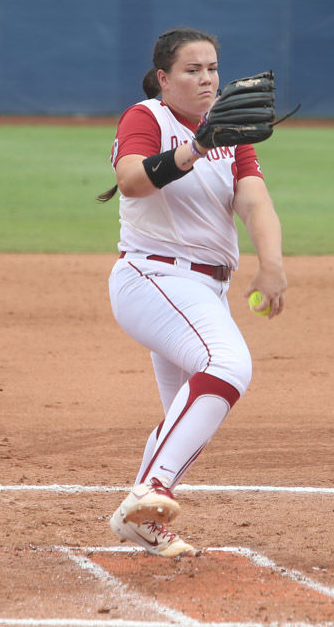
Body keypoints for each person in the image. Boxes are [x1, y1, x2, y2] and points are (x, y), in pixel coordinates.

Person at [97, 27, 287, 558]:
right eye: (192, 69)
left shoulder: (232, 131)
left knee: (186, 415)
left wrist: (271, 264)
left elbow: (255, 201)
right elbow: (132, 180)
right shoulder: (147, 118)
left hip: (205, 289)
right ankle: (153, 490)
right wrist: (196, 147)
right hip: (153, 279)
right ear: (164, 77)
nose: (207, 79)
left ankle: (143, 519)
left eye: (212, 69)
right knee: (226, 365)